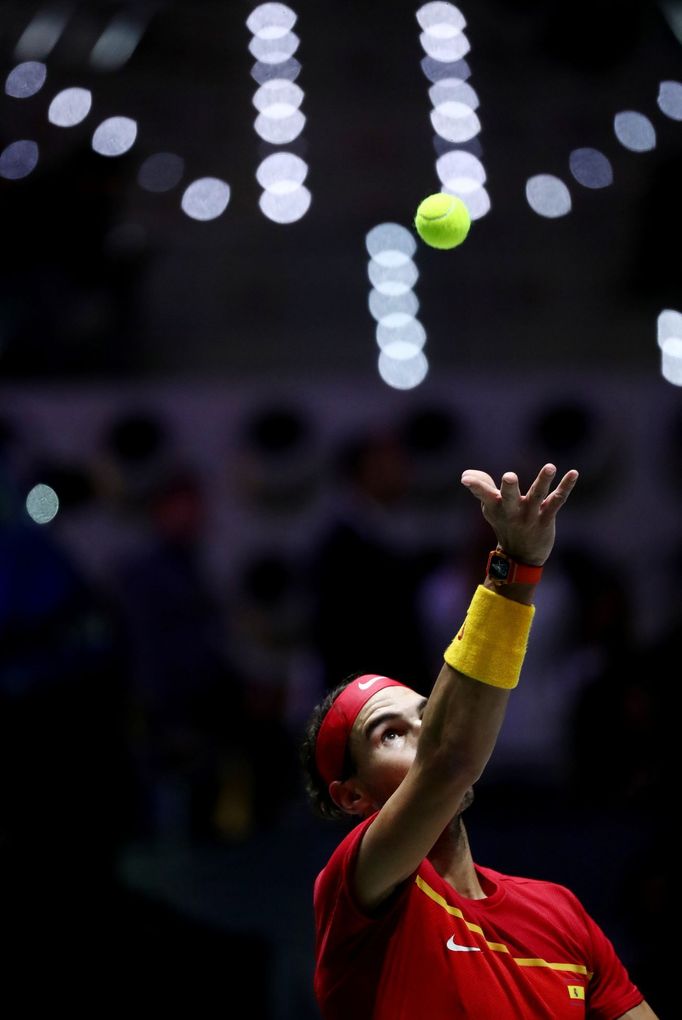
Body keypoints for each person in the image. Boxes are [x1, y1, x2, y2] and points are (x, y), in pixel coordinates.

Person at [299, 462, 658, 1020]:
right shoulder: (354, 892)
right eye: (391, 733)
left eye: (426, 716)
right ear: (353, 797)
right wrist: (516, 570)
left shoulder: (559, 912)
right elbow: (447, 759)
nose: (422, 734)